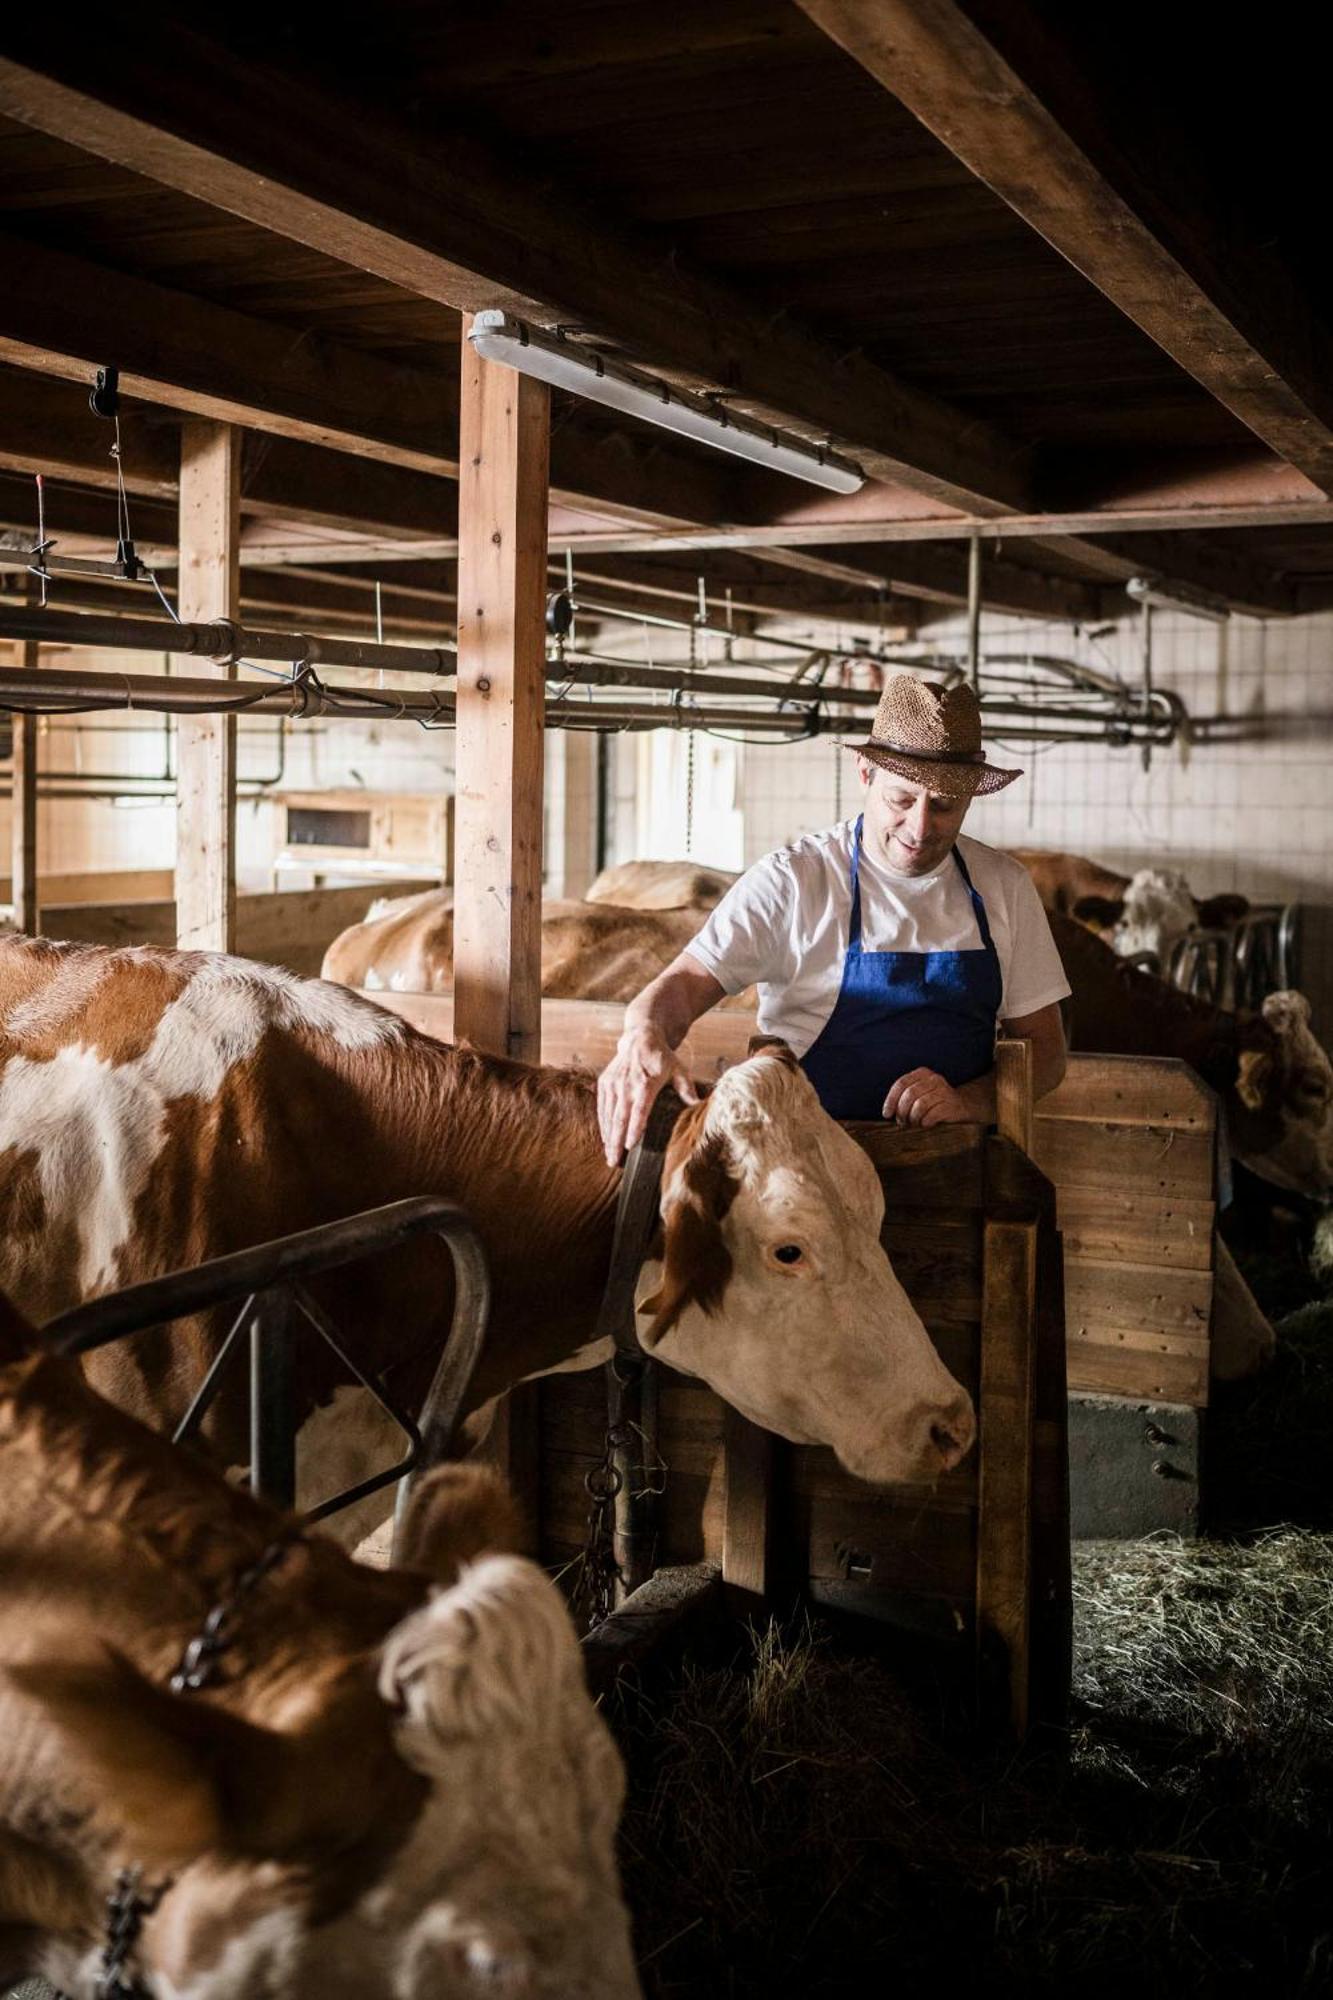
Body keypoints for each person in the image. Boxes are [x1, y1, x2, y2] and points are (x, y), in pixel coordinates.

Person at [598, 675, 1070, 1165]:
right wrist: (643, 1036)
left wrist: (971, 1101)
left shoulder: (1004, 887)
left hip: (956, 1166)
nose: (921, 826)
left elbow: (1048, 1052)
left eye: (945, 806)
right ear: (866, 773)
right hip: (802, 1170)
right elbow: (682, 984)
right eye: (902, 799)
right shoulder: (794, 881)